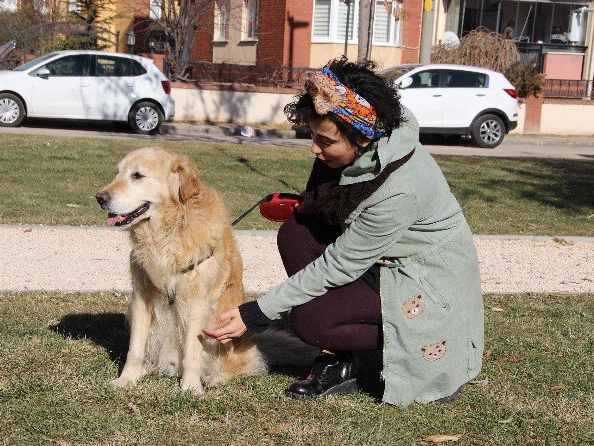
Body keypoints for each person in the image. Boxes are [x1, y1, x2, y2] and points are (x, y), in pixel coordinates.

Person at [202, 58, 484, 406]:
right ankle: (343, 356)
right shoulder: (367, 142)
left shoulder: (399, 188)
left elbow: (339, 265)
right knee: (297, 232)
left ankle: (391, 349)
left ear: (362, 139)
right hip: (383, 260)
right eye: (312, 134)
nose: (314, 149)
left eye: (325, 141)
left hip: (424, 276)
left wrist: (255, 313)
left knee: (310, 322)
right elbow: (334, 211)